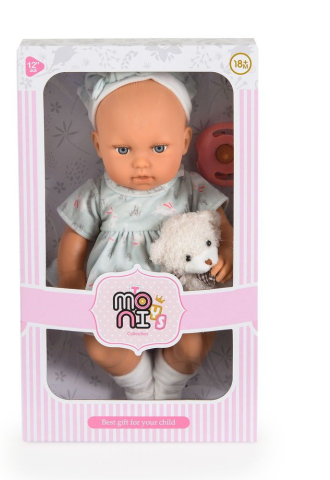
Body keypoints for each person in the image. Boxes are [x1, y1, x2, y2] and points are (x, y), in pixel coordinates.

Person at [57, 73, 233, 400]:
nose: (141, 162)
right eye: (123, 149)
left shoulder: (189, 188)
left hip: (179, 295)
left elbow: (218, 223)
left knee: (193, 344)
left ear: (184, 141)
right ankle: (138, 387)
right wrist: (71, 280)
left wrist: (229, 251)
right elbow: (74, 240)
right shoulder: (97, 193)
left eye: (158, 147)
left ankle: (168, 387)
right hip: (118, 301)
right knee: (101, 346)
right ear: (98, 144)